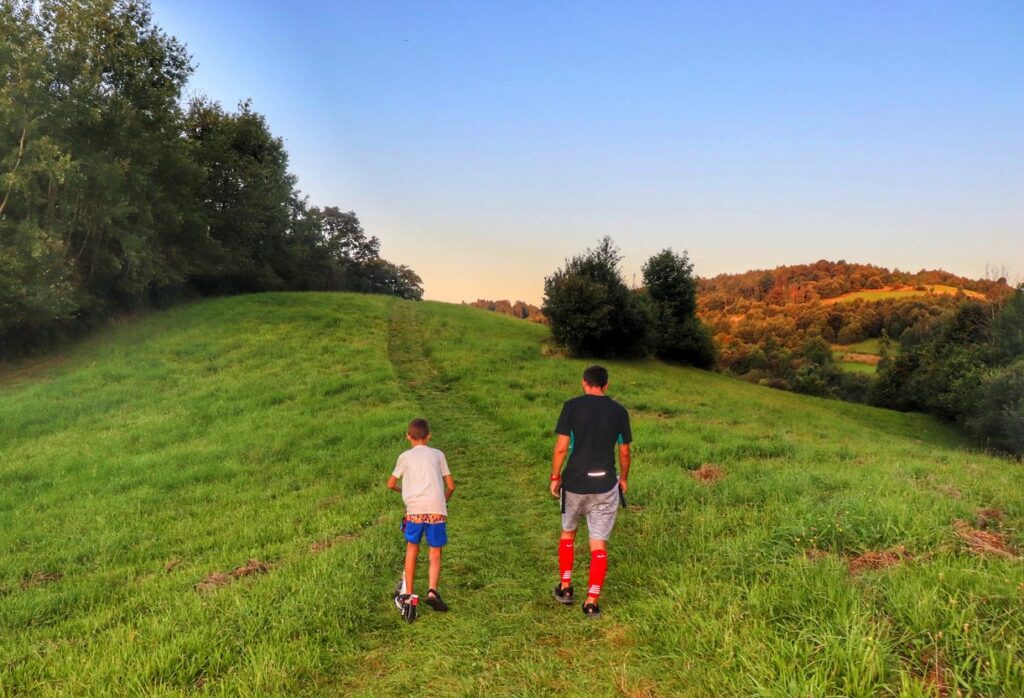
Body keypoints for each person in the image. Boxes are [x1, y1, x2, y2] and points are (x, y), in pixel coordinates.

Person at [549, 365, 632, 619]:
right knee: (599, 545)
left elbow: (562, 448)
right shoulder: (619, 411)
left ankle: (565, 587)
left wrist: (555, 477)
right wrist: (624, 479)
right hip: (605, 484)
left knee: (568, 533)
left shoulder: (571, 406)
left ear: (584, 383)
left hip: (573, 483)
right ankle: (592, 601)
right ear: (606, 386)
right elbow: (625, 452)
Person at [388, 418, 455, 622]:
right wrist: (442, 501)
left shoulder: (405, 457)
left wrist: (405, 492)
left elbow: (390, 484)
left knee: (412, 548)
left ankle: (408, 594)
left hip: (415, 510)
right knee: (435, 551)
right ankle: (432, 591)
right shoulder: (438, 454)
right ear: (429, 435)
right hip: (436, 509)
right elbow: (451, 486)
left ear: (408, 436)